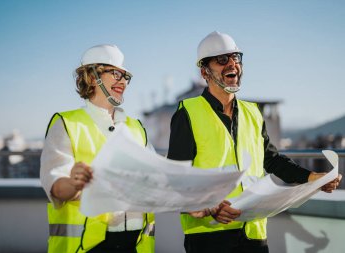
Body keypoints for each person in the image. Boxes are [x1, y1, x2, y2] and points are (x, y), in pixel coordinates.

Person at [167, 31, 342, 253]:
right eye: (222, 59)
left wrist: (311, 178)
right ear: (204, 72)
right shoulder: (188, 113)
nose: (232, 64)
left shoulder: (253, 113)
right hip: (210, 235)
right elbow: (175, 177)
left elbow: (272, 160)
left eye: (236, 57)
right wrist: (206, 206)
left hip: (254, 232)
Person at [40, 44, 155, 253]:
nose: (122, 81)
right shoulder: (66, 123)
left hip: (136, 244)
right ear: (92, 77)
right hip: (88, 246)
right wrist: (75, 183)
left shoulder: (136, 127)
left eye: (125, 76)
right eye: (115, 73)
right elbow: (55, 187)